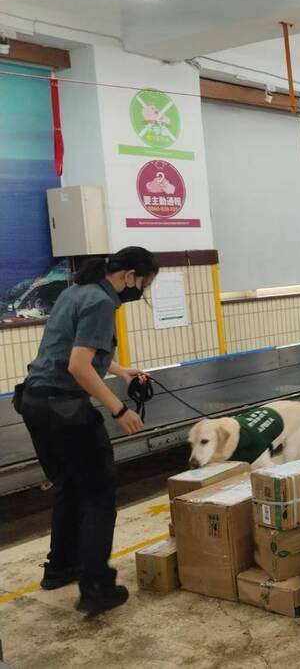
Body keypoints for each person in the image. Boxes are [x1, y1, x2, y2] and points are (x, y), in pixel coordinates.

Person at [18, 247, 158, 614]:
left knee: (69, 487)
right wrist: (119, 409)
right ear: (128, 276)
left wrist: (121, 370)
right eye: (143, 282)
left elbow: (77, 349)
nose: (141, 290)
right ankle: (95, 586)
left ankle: (60, 568)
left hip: (36, 402)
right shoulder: (100, 303)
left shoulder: (77, 291)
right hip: (64, 408)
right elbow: (79, 366)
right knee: (98, 493)